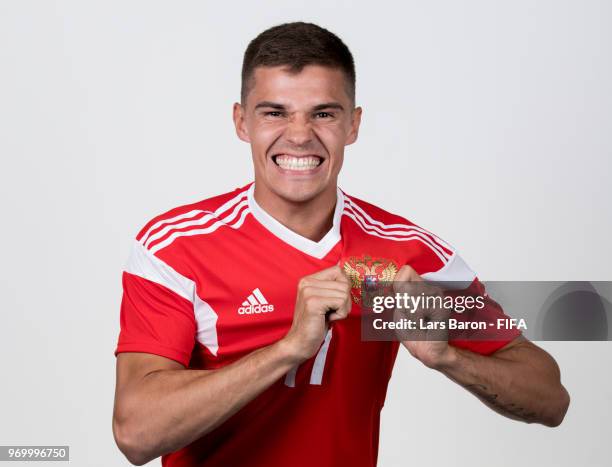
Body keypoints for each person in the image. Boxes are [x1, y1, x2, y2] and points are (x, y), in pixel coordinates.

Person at [112, 21, 570, 467]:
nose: (298, 135)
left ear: (352, 125)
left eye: (323, 114)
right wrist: (288, 348)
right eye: (274, 112)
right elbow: (135, 433)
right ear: (241, 122)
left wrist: (447, 355)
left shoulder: (409, 254)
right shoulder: (175, 247)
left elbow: (550, 399)